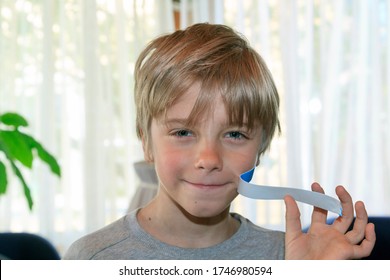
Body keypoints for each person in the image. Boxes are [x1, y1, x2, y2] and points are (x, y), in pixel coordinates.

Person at [64, 23, 376, 260]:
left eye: (235, 134)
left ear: (261, 148)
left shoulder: (290, 257)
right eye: (183, 132)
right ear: (146, 142)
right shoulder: (92, 258)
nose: (209, 158)